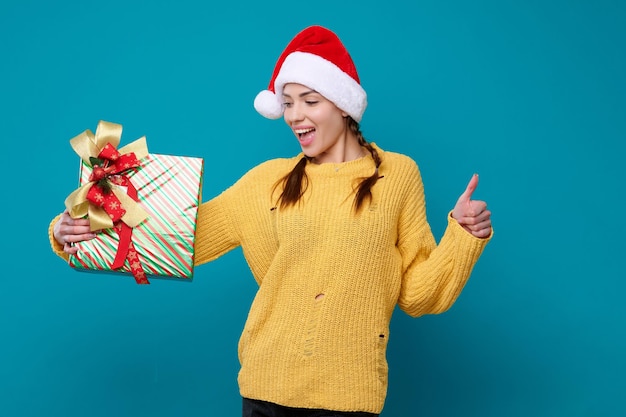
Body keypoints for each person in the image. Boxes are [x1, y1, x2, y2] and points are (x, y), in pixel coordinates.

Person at [49, 25, 492, 417]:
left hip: (348, 396)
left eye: (309, 101)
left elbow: (418, 295)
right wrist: (75, 231)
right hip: (266, 390)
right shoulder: (268, 182)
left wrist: (462, 235)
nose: (295, 115)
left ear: (342, 104)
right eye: (288, 103)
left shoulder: (397, 175)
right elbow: (178, 236)